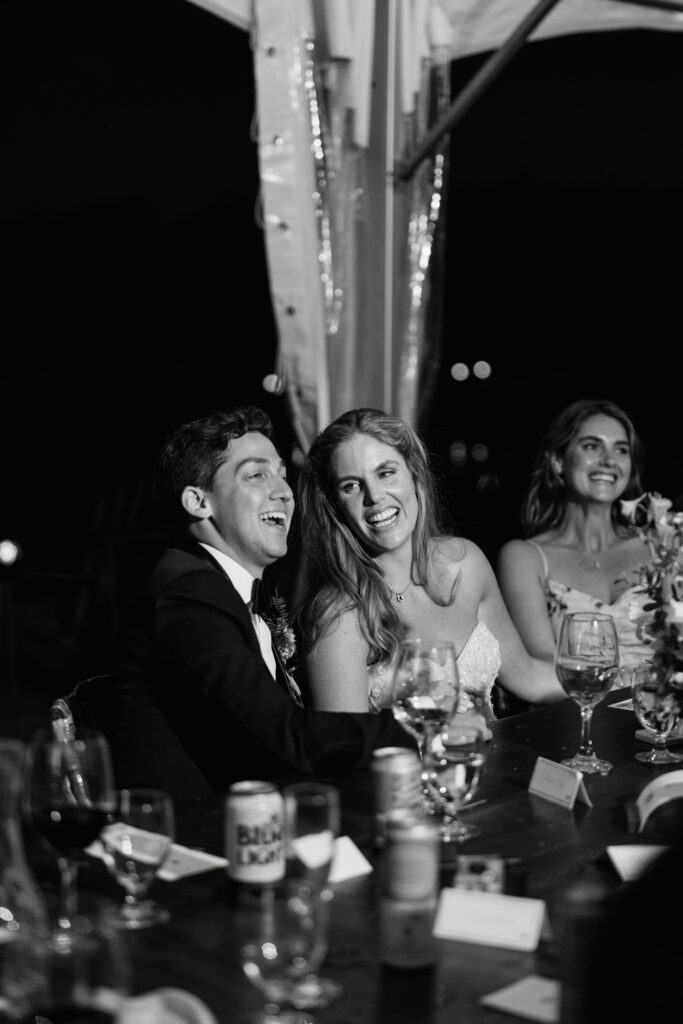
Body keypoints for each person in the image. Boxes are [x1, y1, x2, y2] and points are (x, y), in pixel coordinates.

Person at [108, 405, 413, 798]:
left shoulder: (242, 593)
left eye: (283, 476)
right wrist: (419, 729)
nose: (284, 492)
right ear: (199, 502)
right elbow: (289, 737)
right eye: (257, 475)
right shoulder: (186, 595)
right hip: (185, 840)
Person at [295, 408, 565, 720]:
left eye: (385, 473)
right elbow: (347, 750)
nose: (375, 496)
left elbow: (530, 677)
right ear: (334, 506)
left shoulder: (464, 564)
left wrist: (618, 679)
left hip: (493, 764)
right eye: (351, 486)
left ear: (414, 475)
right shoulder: (339, 614)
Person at [497, 399, 653, 676]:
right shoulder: (525, 557)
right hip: (575, 713)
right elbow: (541, 666)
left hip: (661, 714)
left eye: (621, 450)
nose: (609, 461)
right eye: (592, 446)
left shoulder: (658, 547)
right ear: (558, 460)